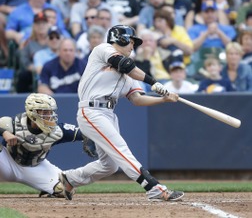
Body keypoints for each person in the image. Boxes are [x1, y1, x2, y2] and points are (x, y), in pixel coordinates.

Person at [58, 25, 184, 202]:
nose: (133, 46)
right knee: (121, 150)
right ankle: (154, 188)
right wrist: (153, 82)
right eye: (131, 41)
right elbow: (125, 65)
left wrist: (163, 99)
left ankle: (70, 178)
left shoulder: (130, 76)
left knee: (109, 165)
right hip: (91, 110)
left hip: (109, 113)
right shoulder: (102, 50)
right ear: (120, 39)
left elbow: (137, 99)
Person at [0, 93, 97, 198]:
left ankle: (49, 188)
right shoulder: (12, 123)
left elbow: (86, 133)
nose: (49, 116)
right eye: (45, 112)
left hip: (35, 166)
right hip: (7, 162)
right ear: (32, 112)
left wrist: (94, 139)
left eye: (51, 112)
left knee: (65, 188)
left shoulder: (57, 131)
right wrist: (5, 132)